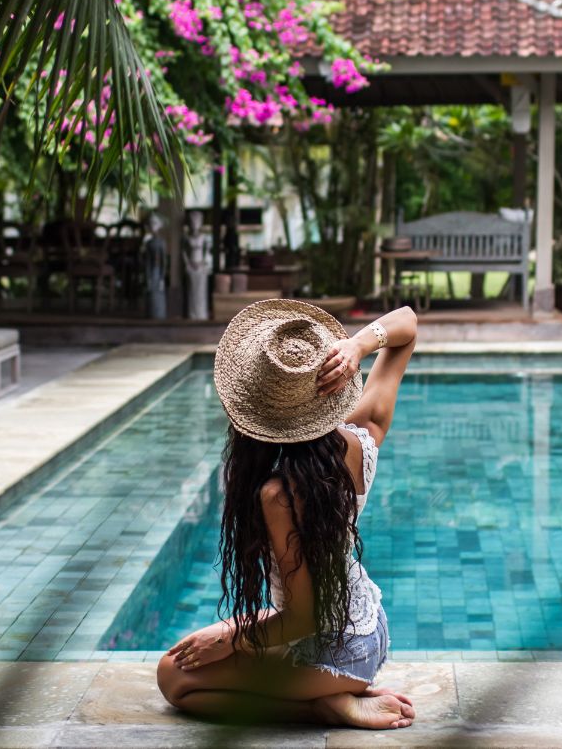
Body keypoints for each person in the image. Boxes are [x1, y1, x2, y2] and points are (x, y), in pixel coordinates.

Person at [157, 300, 419, 730]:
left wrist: (233, 637)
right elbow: (406, 322)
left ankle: (325, 704)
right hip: (368, 627)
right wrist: (355, 347)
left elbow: (305, 617)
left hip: (338, 651)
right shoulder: (360, 436)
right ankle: (329, 692)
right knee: (189, 652)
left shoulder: (277, 494)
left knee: (174, 679)